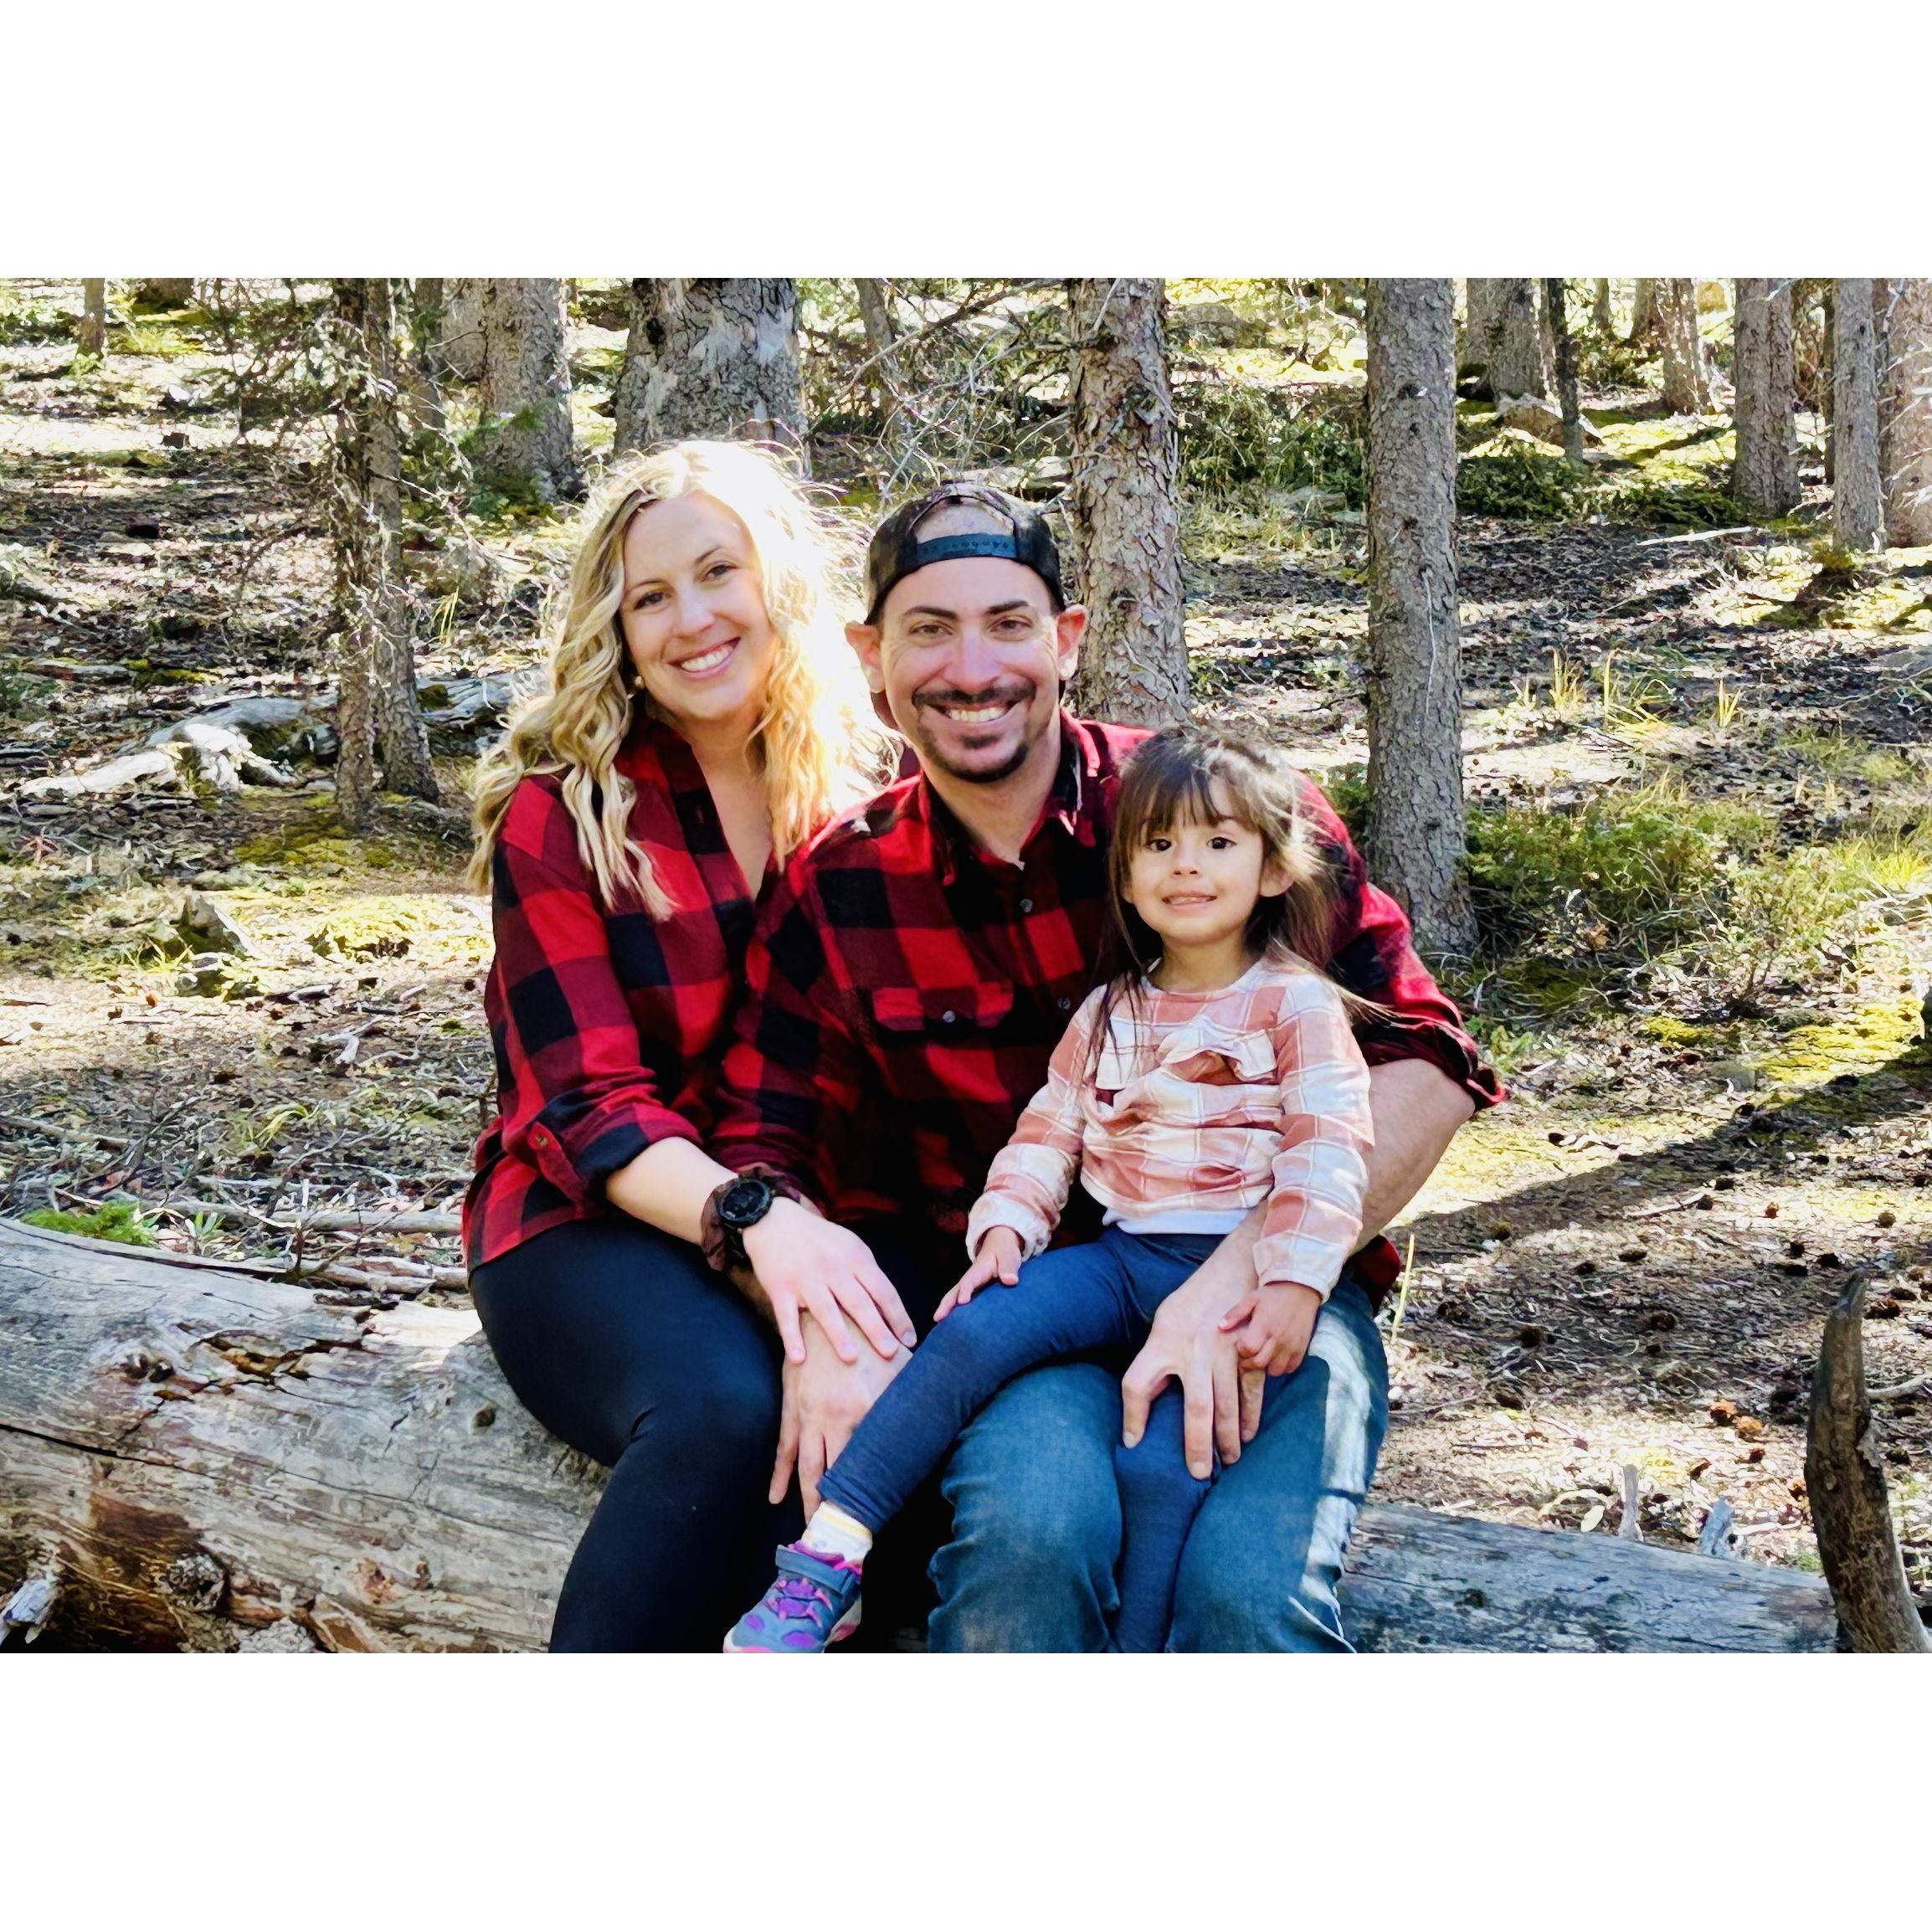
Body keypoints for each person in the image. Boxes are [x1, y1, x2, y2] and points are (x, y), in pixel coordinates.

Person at [707, 480, 1503, 1652]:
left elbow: (1427, 1060)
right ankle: (826, 1574)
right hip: (1047, 1314)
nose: (973, 669)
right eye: (929, 629)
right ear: (873, 657)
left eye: (1008, 624)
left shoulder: (1220, 820)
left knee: (1243, 1597)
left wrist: (1239, 1273)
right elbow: (760, 1147)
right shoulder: (841, 886)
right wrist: (821, 1325)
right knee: (1030, 1541)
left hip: (1273, 1297)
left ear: (1067, 639)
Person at [725, 723, 1380, 1652]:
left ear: (1273, 870)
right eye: (1160, 844)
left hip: (1236, 1268)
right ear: (1126, 879)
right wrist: (1006, 1228)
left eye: (1218, 842)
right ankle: (829, 1553)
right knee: (975, 1325)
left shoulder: (1295, 1003)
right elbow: (1047, 1134)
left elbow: (1327, 1148)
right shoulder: (1111, 1008)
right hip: (1122, 1256)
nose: (1186, 866)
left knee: (1166, 1465)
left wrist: (1295, 1279)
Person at [461, 439, 910, 1652]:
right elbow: (586, 1106)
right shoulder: (566, 813)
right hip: (590, 1221)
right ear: (616, 631)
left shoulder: (873, 784)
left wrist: (816, 1286)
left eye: (718, 573)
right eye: (650, 597)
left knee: (904, 1436)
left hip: (816, 1213)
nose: (693, 619)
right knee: (725, 1411)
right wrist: (770, 1245)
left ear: (779, 583)